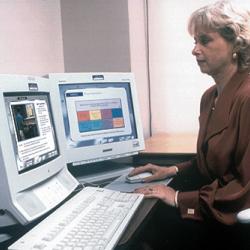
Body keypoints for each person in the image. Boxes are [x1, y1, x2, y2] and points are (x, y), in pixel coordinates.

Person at [128, 1, 250, 249]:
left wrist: (176, 197)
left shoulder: (247, 98)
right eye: (195, 41)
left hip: (231, 216)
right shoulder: (210, 97)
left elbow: (245, 188)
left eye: (205, 41)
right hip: (214, 202)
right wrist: (171, 170)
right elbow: (210, 162)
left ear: (236, 44)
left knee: (143, 231)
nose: (195, 50)